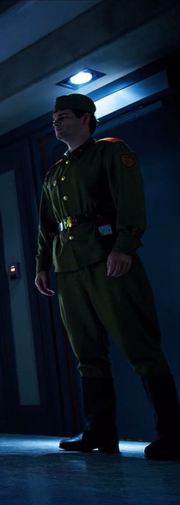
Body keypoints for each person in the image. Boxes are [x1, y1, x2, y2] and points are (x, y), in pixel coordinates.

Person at [35, 93, 180, 460]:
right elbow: (47, 225)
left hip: (107, 258)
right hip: (68, 267)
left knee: (139, 344)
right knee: (86, 352)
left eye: (64, 116)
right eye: (54, 118)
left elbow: (130, 198)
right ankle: (98, 433)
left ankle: (173, 434)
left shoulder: (111, 152)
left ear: (86, 118)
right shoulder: (55, 172)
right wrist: (41, 265)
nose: (56, 122)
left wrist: (124, 246)